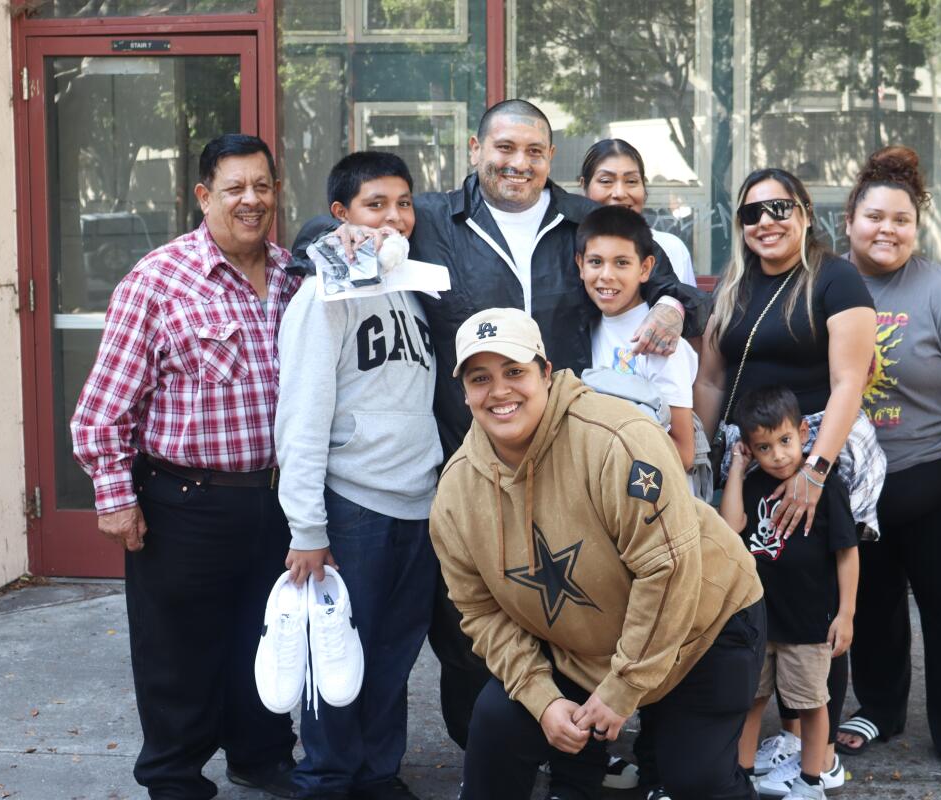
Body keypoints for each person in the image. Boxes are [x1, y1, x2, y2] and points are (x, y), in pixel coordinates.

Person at [298, 99, 711, 751]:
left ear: (551, 160)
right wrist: (332, 238)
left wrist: (670, 303)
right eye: (505, 149)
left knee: (578, 606)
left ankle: (576, 750)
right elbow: (318, 239)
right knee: (471, 624)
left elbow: (663, 273)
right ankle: (486, 756)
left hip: (571, 459)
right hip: (467, 464)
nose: (519, 164)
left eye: (535, 152)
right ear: (474, 148)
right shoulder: (430, 219)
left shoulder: (582, 222)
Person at [431, 308, 765, 800]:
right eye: (480, 378)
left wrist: (622, 688)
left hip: (704, 625)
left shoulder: (617, 440)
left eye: (515, 372)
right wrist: (542, 700)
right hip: (580, 647)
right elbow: (479, 611)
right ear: (464, 391)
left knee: (695, 779)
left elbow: (667, 569)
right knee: (497, 725)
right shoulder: (455, 495)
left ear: (546, 373)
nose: (499, 391)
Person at [70, 134, 299, 799]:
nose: (251, 200)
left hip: (273, 499)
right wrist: (115, 498)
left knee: (264, 636)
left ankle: (261, 755)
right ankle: (174, 776)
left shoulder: (294, 275)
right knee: (178, 653)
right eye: (235, 188)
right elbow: (103, 408)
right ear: (205, 196)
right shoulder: (159, 280)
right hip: (184, 501)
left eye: (262, 186)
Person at [692, 167, 878, 792]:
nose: (765, 222)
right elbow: (713, 380)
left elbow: (851, 379)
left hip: (812, 451)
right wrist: (700, 457)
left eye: (779, 208)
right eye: (751, 213)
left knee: (814, 587)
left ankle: (813, 754)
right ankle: (771, 744)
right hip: (747, 455)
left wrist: (816, 473)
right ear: (739, 225)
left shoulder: (833, 276)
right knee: (755, 590)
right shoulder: (734, 287)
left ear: (803, 213)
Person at [273, 152, 442, 800]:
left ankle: (378, 774)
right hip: (353, 506)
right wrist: (307, 526)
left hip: (417, 503)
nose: (394, 217)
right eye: (376, 204)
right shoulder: (324, 292)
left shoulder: (414, 286)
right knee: (336, 658)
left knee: (392, 657)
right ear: (341, 215)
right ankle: (326, 778)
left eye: (404, 203)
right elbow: (302, 416)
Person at [835, 146, 941, 785]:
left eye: (901, 219)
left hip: (933, 475)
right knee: (872, 601)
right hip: (855, 483)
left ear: (917, 226)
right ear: (850, 219)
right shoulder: (828, 282)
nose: (887, 229)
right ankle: (880, 707)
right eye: (874, 216)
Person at [720, 386, 858, 800]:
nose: (778, 455)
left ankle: (810, 780)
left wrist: (846, 613)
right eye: (764, 447)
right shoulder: (752, 483)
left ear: (802, 433)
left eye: (785, 441)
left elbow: (847, 553)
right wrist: (738, 469)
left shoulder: (827, 488)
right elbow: (730, 528)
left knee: (811, 704)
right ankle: (741, 778)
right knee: (751, 700)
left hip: (809, 622)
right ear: (750, 448)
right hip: (760, 621)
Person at [578, 205, 698, 471]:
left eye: (622, 263)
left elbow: (684, 454)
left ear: (645, 268)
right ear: (580, 265)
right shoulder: (586, 327)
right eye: (596, 262)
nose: (606, 275)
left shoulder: (660, 339)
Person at [578, 138, 697, 287]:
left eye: (631, 181)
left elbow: (687, 305)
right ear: (584, 186)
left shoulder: (672, 249)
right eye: (606, 181)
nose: (620, 193)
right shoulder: (567, 248)